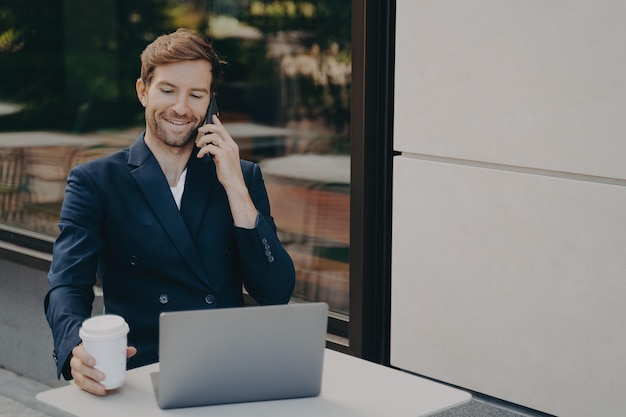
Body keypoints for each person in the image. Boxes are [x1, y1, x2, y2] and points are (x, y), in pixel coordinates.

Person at [44, 28, 296, 396]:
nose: (181, 107)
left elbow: (276, 292)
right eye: (167, 90)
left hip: (227, 372)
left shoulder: (240, 178)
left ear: (211, 104)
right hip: (140, 377)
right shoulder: (95, 181)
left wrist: (236, 190)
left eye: (196, 94)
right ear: (143, 91)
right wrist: (73, 347)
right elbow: (67, 282)